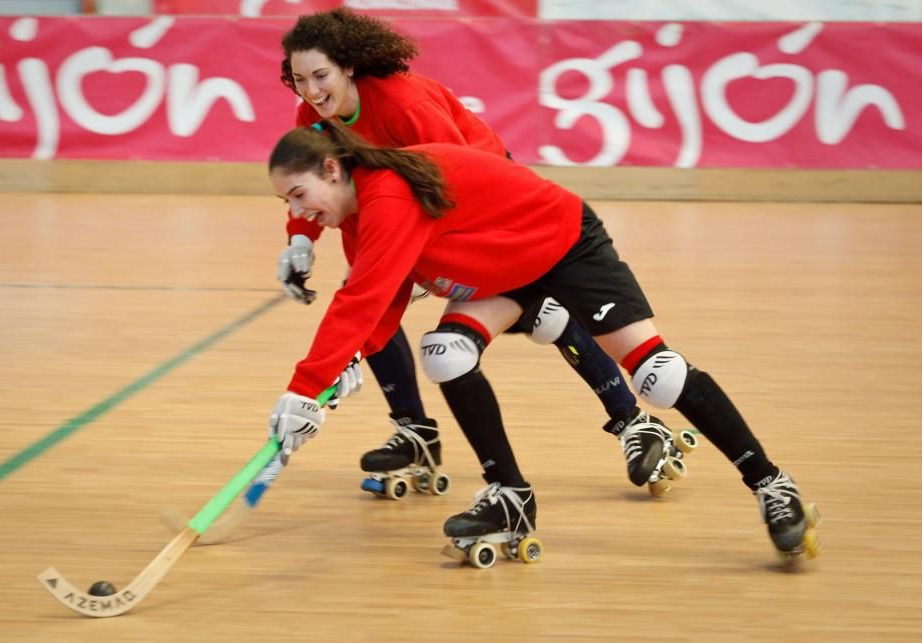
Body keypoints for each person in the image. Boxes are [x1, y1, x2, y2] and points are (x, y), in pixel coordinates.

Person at [264, 121, 820, 565]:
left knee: (660, 376)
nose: (297, 212)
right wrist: (340, 372)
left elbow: (360, 299)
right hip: (505, 271)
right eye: (286, 203)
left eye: (299, 194)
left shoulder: (386, 196)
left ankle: (771, 483)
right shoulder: (358, 215)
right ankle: (511, 498)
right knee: (446, 353)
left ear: (332, 170)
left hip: (564, 243)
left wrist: (305, 388)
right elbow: (381, 303)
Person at [274, 8, 689, 498]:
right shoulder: (313, 116)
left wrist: (423, 262)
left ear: (348, 67)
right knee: (366, 299)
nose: (311, 91)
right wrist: (301, 237)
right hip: (398, 209)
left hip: (480, 202)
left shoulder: (404, 105)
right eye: (299, 80)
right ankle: (417, 433)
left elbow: (458, 180)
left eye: (320, 76)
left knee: (543, 314)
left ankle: (633, 422)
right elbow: (315, 176)